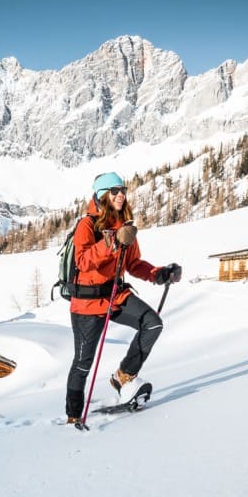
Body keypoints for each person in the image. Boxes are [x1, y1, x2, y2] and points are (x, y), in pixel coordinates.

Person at [65, 172, 182, 424]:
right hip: (87, 304)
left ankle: (124, 376)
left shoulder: (125, 224)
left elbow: (134, 263)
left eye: (123, 190)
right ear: (102, 195)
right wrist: (111, 242)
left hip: (116, 296)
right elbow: (83, 262)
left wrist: (158, 274)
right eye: (115, 191)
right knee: (83, 363)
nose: (121, 195)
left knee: (153, 323)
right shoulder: (86, 225)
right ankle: (73, 416)